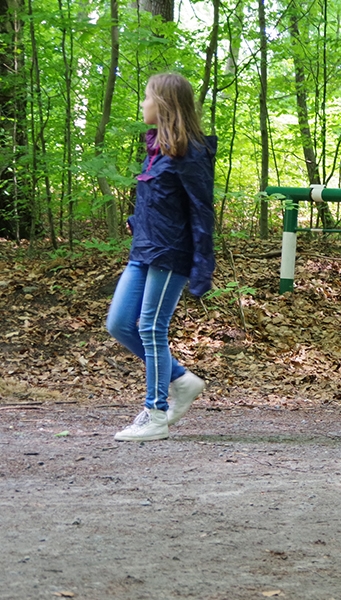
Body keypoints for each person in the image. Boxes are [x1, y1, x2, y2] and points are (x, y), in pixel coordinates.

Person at [107, 73, 217, 442]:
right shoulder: (156, 147)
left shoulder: (192, 152)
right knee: (120, 323)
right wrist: (136, 223)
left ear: (165, 104)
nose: (143, 104)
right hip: (145, 247)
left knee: (152, 328)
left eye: (148, 97)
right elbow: (160, 200)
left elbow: (201, 212)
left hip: (172, 253)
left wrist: (203, 266)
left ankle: (155, 413)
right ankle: (181, 380)